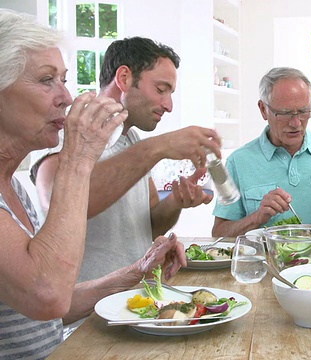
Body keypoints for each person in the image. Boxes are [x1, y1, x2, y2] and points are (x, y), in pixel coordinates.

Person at [0, 10, 186, 358]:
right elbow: (48, 295)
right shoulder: (70, 143)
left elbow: (51, 311)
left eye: (63, 79)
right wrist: (79, 157)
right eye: (46, 80)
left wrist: (133, 274)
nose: (67, 97)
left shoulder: (14, 192)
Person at [32, 36, 222, 282]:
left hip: (135, 300)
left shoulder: (132, 139)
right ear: (124, 78)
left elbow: (151, 226)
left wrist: (176, 201)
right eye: (161, 90)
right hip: (85, 313)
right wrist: (158, 147)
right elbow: (60, 205)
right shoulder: (66, 133)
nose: (169, 105)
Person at [212, 67, 311, 236]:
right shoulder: (237, 161)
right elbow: (219, 233)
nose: (296, 123)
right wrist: (257, 218)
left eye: (303, 111)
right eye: (285, 113)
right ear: (263, 109)